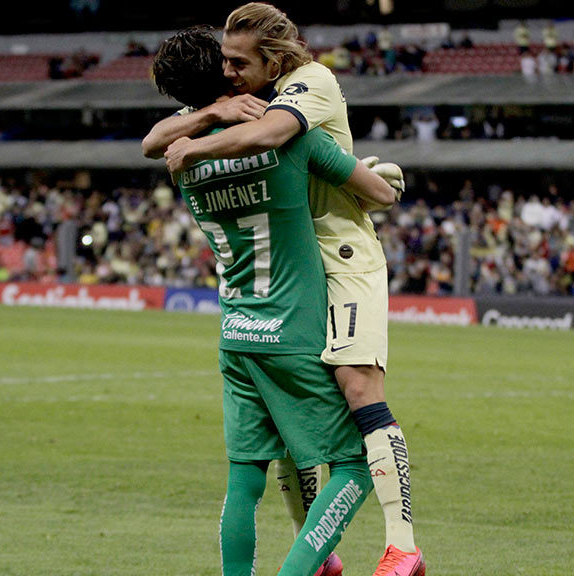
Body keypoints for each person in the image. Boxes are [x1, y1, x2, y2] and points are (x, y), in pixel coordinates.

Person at [149, 4, 425, 576]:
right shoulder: (282, 139)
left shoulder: (198, 150)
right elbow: (375, 189)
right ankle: (324, 557)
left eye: (238, 62)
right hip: (292, 317)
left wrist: (200, 132)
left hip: (243, 324)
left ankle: (378, 550)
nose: (230, 72)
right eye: (223, 64)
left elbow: (156, 141)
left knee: (256, 466)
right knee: (346, 459)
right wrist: (381, 178)